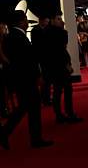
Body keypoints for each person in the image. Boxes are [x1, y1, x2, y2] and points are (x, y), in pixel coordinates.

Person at [1, 10, 53, 149]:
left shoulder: (12, 36)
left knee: (24, 108)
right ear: (20, 21)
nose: (27, 23)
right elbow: (26, 61)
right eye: (25, 20)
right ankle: (34, 139)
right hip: (26, 79)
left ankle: (6, 133)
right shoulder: (17, 37)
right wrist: (37, 76)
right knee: (33, 108)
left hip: (21, 78)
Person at [46, 13, 83, 124]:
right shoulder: (61, 32)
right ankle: (69, 113)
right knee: (66, 89)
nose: (61, 21)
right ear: (52, 20)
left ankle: (59, 115)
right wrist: (68, 65)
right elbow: (62, 50)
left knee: (58, 91)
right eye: (58, 19)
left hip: (52, 66)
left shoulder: (46, 32)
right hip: (61, 66)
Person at [31, 14, 51, 105]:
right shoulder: (35, 30)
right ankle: (44, 98)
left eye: (48, 22)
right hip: (39, 58)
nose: (47, 23)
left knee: (47, 79)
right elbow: (36, 45)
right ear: (41, 20)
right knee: (42, 79)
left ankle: (46, 97)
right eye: (46, 21)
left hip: (46, 58)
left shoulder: (46, 29)